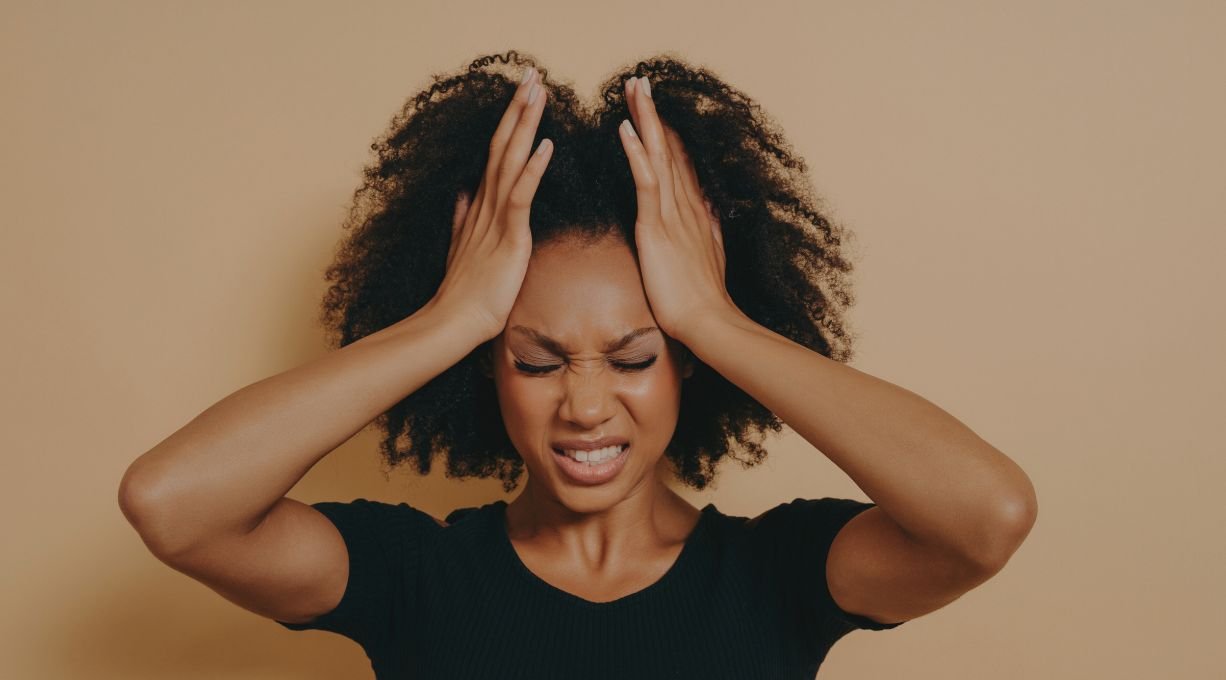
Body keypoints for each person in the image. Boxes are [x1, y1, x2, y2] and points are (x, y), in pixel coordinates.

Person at [118, 51, 1038, 678]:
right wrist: (452, 317)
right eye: (536, 359)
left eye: (636, 356)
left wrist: (713, 318)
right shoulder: (416, 577)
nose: (586, 405)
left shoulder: (778, 576)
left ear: (688, 366)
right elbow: (173, 503)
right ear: (489, 369)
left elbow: (986, 517)